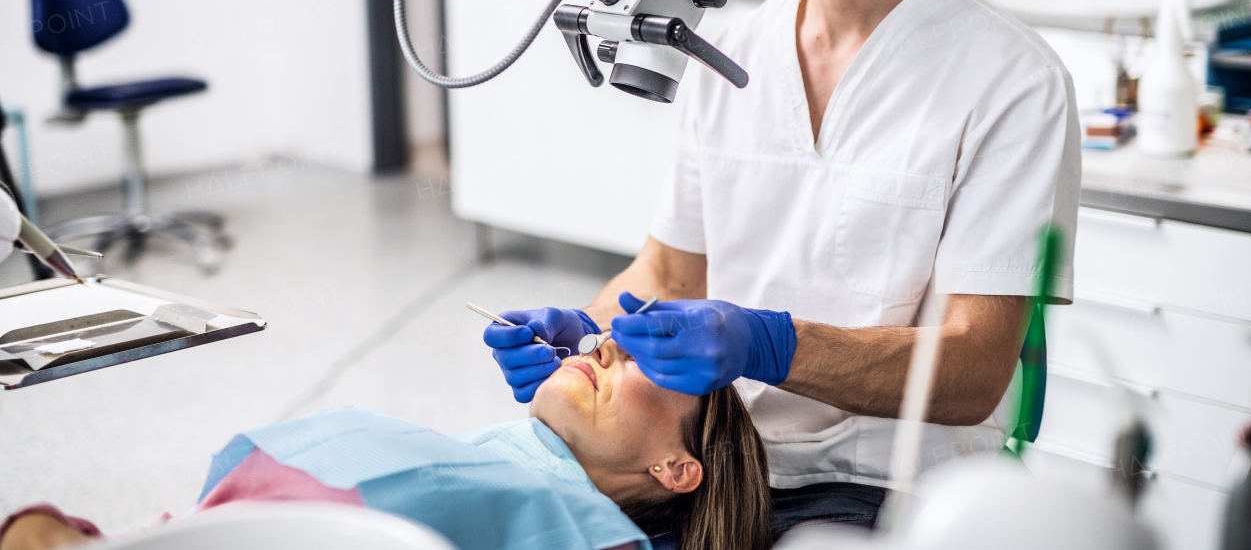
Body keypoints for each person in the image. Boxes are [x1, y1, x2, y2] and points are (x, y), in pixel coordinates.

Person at [484, 0, 1080, 540]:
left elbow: (974, 371)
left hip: (888, 484)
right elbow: (669, 271)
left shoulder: (1010, 81)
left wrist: (772, 345)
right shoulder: (733, 50)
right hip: (724, 468)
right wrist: (588, 335)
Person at [0, 340, 770, 550]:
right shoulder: (483, 455)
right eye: (620, 333)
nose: (603, 341)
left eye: (652, 358)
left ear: (677, 467)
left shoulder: (584, 530)